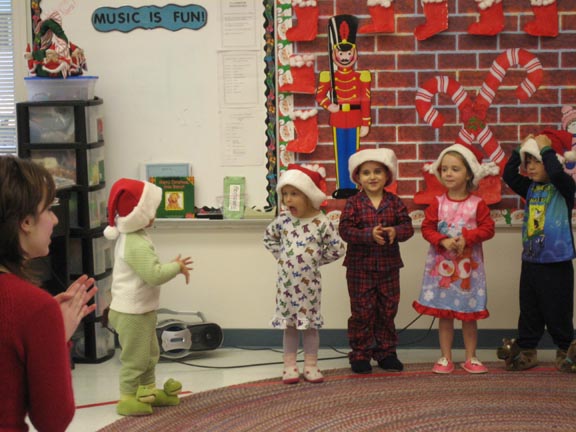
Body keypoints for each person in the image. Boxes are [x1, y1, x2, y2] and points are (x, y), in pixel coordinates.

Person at [0, 156, 97, 432]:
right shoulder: (34, 307)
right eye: (49, 209)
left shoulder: (34, 309)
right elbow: (52, 421)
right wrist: (56, 337)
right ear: (26, 221)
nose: (55, 219)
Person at [103, 178, 193, 415]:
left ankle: (148, 390)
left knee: (150, 354)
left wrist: (171, 266)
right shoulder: (135, 243)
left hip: (140, 310)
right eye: (151, 210)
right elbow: (154, 275)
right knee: (135, 358)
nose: (154, 214)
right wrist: (176, 267)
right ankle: (127, 397)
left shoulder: (136, 235)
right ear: (139, 214)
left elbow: (148, 271)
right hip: (131, 312)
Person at [413, 144, 497, 374]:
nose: (448, 173)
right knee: (445, 314)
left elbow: (488, 229)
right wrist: (442, 240)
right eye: (444, 169)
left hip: (469, 272)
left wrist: (467, 238)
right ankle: (445, 357)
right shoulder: (437, 203)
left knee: (469, 315)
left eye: (455, 169)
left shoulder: (477, 204)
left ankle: (471, 357)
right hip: (442, 272)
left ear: (469, 173)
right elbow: (427, 228)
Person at [501, 129, 576, 372]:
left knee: (558, 310)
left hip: (557, 262)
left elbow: (556, 173)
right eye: (528, 162)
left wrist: (546, 149)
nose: (531, 167)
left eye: (537, 162)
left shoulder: (564, 187)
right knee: (529, 310)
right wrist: (518, 151)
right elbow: (508, 174)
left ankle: (566, 350)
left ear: (553, 160)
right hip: (531, 261)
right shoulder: (530, 187)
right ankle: (527, 351)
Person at [263, 164, 345, 384]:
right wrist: (282, 256)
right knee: (289, 327)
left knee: (309, 327)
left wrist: (315, 261)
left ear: (308, 196)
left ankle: (311, 365)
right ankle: (289, 366)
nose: (287, 199)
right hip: (286, 287)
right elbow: (268, 238)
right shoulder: (283, 221)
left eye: (294, 194)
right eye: (284, 194)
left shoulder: (321, 222)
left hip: (309, 288)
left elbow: (338, 249)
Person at [338, 148, 414, 374]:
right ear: (358, 177)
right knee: (362, 312)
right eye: (366, 172)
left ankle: (386, 352)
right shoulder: (353, 203)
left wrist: (395, 232)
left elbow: (408, 227)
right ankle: (360, 354)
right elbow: (345, 231)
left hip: (389, 268)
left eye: (377, 171)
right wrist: (368, 235)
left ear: (387, 175)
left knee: (387, 311)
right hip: (359, 269)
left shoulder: (395, 202)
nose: (372, 177)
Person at [316, 14, 372, 199]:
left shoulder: (361, 76)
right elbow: (319, 95)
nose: (345, 57)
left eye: (348, 54)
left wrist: (365, 122)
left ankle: (353, 186)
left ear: (354, 54)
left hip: (355, 118)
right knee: (340, 153)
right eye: (341, 54)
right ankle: (342, 186)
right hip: (338, 118)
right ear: (335, 55)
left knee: (353, 154)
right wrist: (328, 105)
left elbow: (365, 100)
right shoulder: (328, 76)